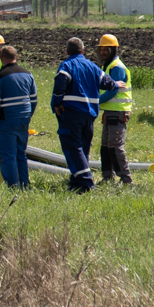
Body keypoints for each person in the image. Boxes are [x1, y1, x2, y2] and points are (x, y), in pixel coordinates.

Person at [51, 36, 103, 193]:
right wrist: (116, 84)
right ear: (83, 51)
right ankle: (76, 184)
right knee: (83, 149)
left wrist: (56, 104)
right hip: (90, 116)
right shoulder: (92, 66)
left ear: (67, 51)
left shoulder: (67, 65)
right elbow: (106, 82)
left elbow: (60, 83)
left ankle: (87, 182)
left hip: (72, 114)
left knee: (73, 149)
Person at [0, 46, 38, 187]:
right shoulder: (28, 74)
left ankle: (13, 186)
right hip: (23, 119)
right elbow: (34, 100)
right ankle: (24, 185)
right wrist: (28, 116)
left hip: (6, 121)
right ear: (16, 57)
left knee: (8, 155)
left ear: (2, 58)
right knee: (21, 154)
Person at [96, 32, 133, 184]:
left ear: (114, 50)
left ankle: (126, 180)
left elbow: (113, 90)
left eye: (107, 49)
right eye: (101, 49)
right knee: (105, 146)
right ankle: (107, 178)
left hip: (118, 112)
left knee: (115, 147)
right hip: (110, 112)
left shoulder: (117, 68)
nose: (103, 52)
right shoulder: (108, 66)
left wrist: (96, 102)